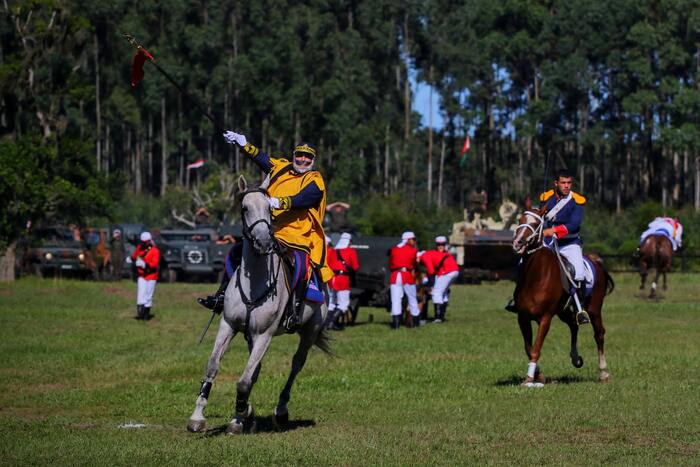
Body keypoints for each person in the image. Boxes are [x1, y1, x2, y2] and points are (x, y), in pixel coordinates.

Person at [221, 130, 333, 332]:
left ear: (313, 160)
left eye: (307, 157)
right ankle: (222, 296)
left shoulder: (315, 179)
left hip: (297, 237)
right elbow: (262, 159)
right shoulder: (281, 167)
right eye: (299, 155)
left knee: (300, 266)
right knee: (237, 252)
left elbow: (306, 199)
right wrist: (243, 143)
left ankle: (294, 309)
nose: (302, 159)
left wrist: (279, 202)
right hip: (271, 231)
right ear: (294, 155)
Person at [538, 169, 589, 325]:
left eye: (569, 183)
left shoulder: (577, 201)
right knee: (525, 261)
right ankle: (518, 298)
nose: (567, 186)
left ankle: (579, 309)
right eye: (563, 183)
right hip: (548, 242)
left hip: (569, 243)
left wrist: (552, 230)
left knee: (578, 272)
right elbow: (540, 217)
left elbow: (574, 225)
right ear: (556, 183)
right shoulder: (546, 198)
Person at [419, 236, 459, 323]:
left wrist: (431, 286)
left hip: (448, 272)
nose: (440, 246)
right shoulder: (440, 253)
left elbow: (431, 271)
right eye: (438, 244)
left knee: (436, 292)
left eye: (443, 244)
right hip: (454, 272)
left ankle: (438, 318)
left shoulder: (425, 256)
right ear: (436, 245)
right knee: (443, 292)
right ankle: (441, 316)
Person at [327, 232, 359, 330]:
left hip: (332, 279)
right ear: (349, 241)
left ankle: (327, 323)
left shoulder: (332, 251)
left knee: (332, 302)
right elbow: (355, 266)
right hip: (342, 279)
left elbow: (328, 264)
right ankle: (331, 323)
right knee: (344, 303)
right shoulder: (350, 251)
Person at [388, 231, 420, 329]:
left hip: (395, 275)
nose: (414, 241)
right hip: (406, 275)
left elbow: (390, 263)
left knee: (395, 300)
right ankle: (415, 323)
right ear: (408, 240)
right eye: (413, 239)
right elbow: (414, 264)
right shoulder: (413, 250)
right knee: (412, 298)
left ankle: (396, 324)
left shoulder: (394, 249)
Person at [129, 231, 160, 321]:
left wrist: (144, 264)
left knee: (148, 296)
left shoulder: (155, 251)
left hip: (151, 276)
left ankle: (146, 315)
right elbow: (134, 256)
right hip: (142, 275)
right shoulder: (139, 248)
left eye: (145, 242)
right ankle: (140, 313)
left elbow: (154, 264)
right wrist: (130, 259)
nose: (143, 243)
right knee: (140, 293)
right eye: (142, 241)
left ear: (149, 241)